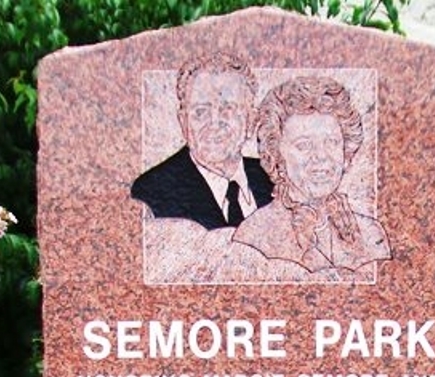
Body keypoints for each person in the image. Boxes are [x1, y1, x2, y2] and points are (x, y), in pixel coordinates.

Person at [233, 75, 391, 277]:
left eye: (331, 142)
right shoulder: (253, 237)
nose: (321, 157)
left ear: (346, 153)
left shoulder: (370, 233)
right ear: (277, 156)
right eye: (304, 145)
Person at [131, 51, 273, 230]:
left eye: (227, 109)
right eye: (200, 111)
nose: (214, 123)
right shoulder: (153, 191)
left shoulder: (275, 179)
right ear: (183, 122)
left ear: (251, 121)